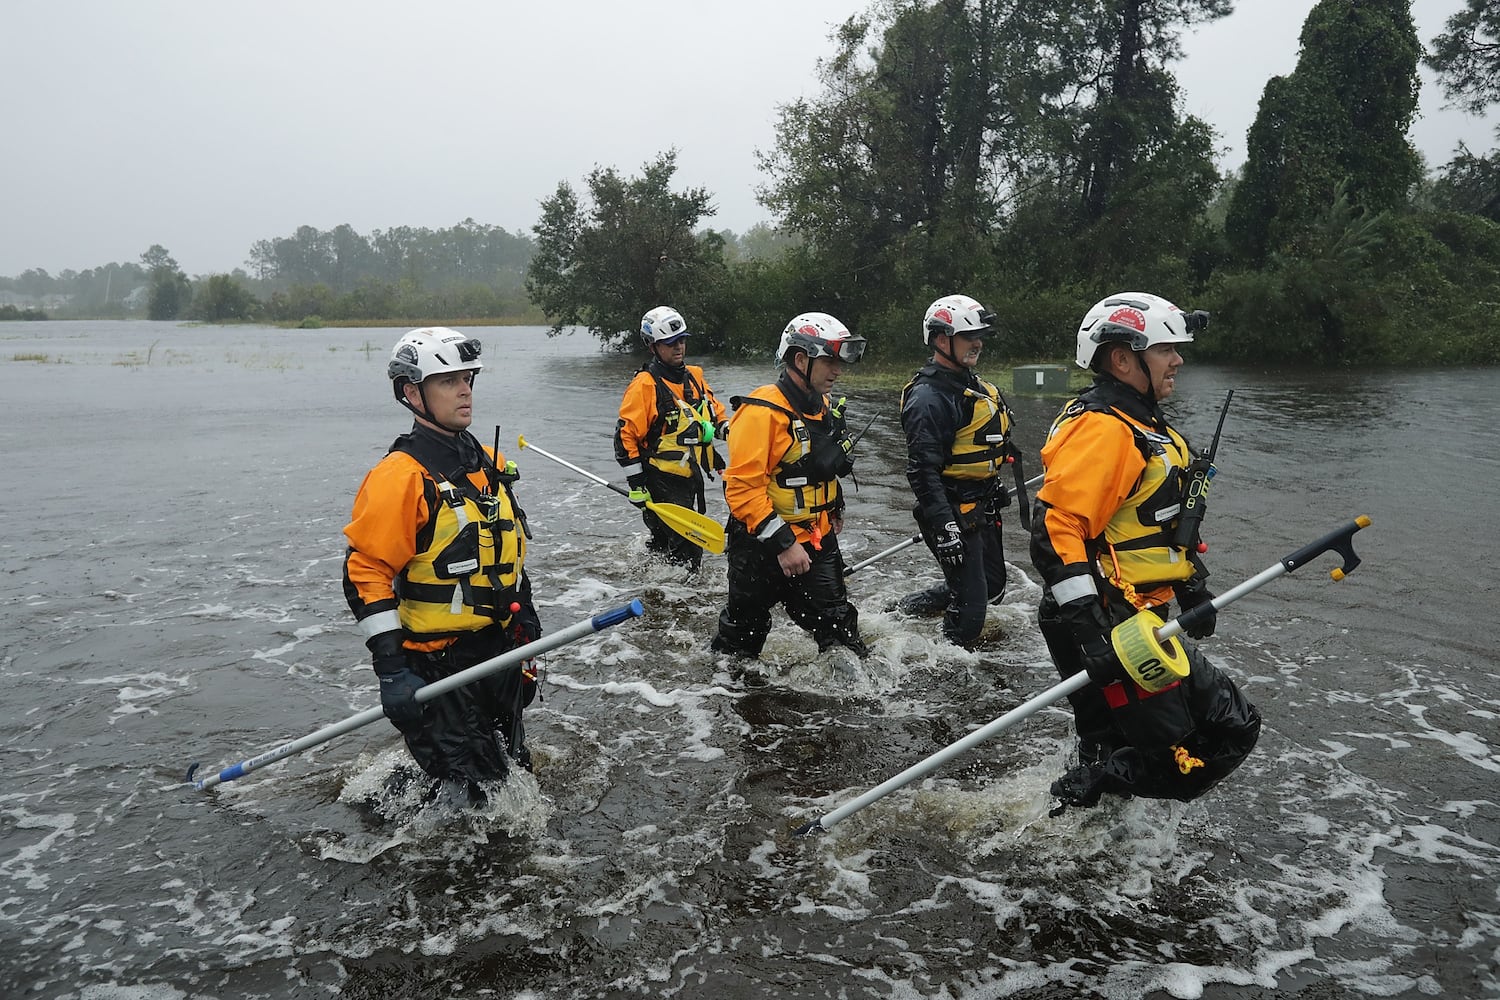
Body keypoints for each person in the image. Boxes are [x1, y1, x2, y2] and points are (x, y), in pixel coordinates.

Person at [1029, 292, 1260, 811]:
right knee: (1222, 737)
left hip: (1131, 613)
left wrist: (1189, 582)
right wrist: (1090, 632)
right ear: (1122, 358)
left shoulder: (1143, 426)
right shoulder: (1105, 429)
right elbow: (1055, 528)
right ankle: (1087, 790)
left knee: (1110, 740)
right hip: (1110, 619)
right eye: (1166, 350)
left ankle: (1076, 830)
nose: (1178, 360)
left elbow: (1145, 523)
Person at [342, 327, 543, 802]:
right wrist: (391, 671)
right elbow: (365, 573)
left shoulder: (487, 462)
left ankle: (409, 791)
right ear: (412, 394)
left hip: (497, 648)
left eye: (467, 378)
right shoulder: (400, 477)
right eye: (447, 381)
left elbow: (507, 554)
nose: (464, 389)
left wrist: (526, 628)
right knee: (484, 794)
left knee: (515, 769)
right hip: (435, 663)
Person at [710, 312, 870, 663]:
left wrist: (835, 505)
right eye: (829, 361)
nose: (837, 370)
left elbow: (816, 466)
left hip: (817, 539)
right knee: (741, 642)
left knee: (842, 637)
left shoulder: (824, 406)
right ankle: (724, 701)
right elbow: (740, 489)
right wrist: (784, 544)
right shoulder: (761, 412)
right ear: (800, 359)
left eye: (838, 362)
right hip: (760, 547)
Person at [898, 293, 1026, 648]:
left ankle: (902, 613)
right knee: (971, 612)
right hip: (950, 511)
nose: (978, 344)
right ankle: (948, 668)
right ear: (942, 340)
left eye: (979, 336)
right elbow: (921, 472)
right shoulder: (928, 398)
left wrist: (990, 484)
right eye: (969, 337)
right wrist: (945, 527)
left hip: (980, 506)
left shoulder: (972, 386)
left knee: (994, 587)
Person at [613, 306, 729, 573]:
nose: (678, 347)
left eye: (682, 340)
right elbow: (625, 437)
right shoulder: (644, 385)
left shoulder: (695, 376)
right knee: (689, 551)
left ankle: (655, 589)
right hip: (658, 479)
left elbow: (713, 414)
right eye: (670, 343)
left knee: (668, 548)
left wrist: (729, 430)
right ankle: (679, 598)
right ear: (653, 346)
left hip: (689, 476)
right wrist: (637, 484)